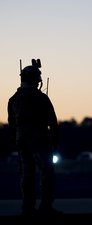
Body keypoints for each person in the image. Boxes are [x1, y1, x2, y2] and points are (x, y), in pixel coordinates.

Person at [7, 59, 62, 217]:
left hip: (22, 141)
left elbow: (12, 124)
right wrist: (55, 140)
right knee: (47, 173)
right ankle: (45, 206)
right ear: (37, 80)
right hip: (41, 141)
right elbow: (53, 121)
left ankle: (27, 207)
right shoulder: (41, 98)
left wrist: (16, 139)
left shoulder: (13, 99)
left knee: (27, 174)